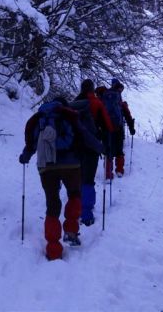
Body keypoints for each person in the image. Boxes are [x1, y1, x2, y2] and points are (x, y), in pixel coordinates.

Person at [19, 97, 102, 260]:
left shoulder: (40, 119)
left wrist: (25, 156)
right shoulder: (69, 115)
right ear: (64, 105)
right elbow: (84, 135)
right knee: (74, 195)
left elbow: (31, 143)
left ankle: (53, 250)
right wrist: (100, 147)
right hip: (71, 165)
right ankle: (71, 231)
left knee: (52, 204)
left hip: (46, 166)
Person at [71, 79, 114, 226]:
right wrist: (107, 146)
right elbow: (108, 126)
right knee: (88, 179)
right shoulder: (96, 103)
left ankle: (75, 210)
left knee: (77, 179)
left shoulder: (73, 103)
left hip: (75, 146)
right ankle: (87, 214)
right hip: (92, 146)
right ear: (93, 89)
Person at [101, 78, 136, 179]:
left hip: (107, 128)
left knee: (108, 150)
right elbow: (128, 115)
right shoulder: (120, 102)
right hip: (119, 128)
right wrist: (131, 128)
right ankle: (119, 170)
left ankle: (108, 174)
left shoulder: (105, 97)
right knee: (119, 149)